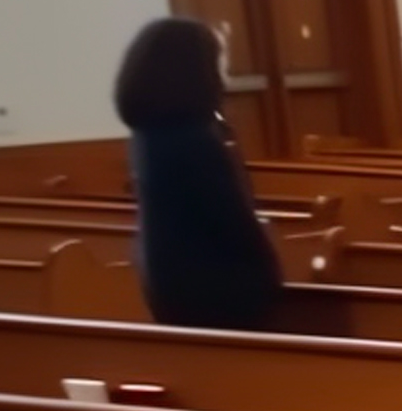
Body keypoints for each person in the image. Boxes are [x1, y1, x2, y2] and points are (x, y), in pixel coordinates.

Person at [113, 18, 283, 332]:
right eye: (219, 63)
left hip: (168, 284)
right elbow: (234, 224)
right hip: (217, 295)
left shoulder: (147, 133)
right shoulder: (194, 139)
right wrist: (270, 265)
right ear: (193, 71)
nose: (224, 75)